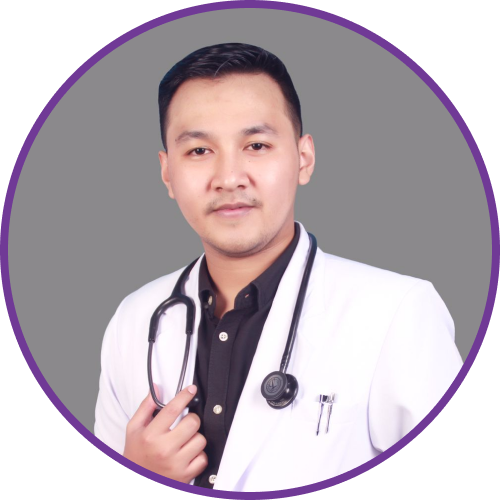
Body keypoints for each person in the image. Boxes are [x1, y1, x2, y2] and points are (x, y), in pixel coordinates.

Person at [94, 43, 463, 491]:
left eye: (256, 145)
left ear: (304, 158)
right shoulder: (134, 320)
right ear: (167, 172)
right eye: (199, 151)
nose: (229, 178)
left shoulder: (398, 313)